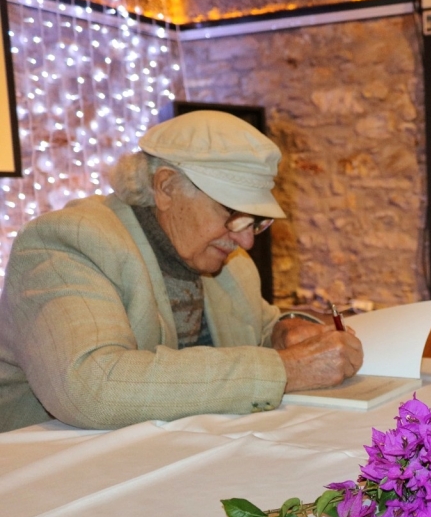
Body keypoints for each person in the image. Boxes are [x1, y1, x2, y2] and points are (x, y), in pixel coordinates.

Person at [0, 110, 363, 432]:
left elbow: (259, 330)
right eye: (233, 213)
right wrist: (285, 370)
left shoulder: (227, 261)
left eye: (255, 221)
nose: (246, 240)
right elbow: (92, 387)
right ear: (167, 187)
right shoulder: (69, 241)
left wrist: (284, 332)